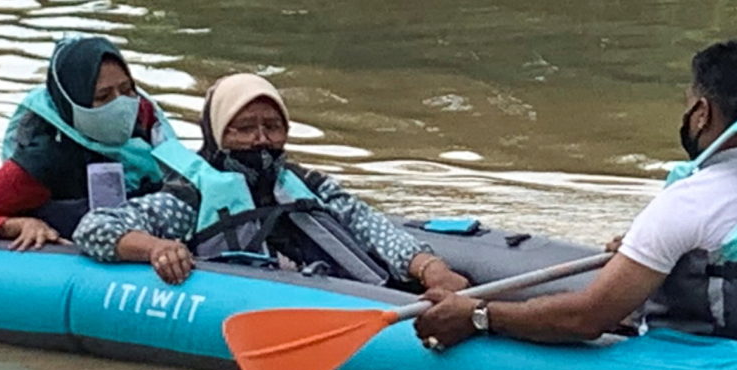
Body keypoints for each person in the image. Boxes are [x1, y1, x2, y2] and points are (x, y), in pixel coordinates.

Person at [418, 39, 737, 352]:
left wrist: (479, 315)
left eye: (689, 102)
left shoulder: (690, 201)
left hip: (712, 353)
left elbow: (586, 319)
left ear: (701, 113)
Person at [72, 73, 472, 294]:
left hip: (336, 289)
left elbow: (369, 225)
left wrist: (429, 268)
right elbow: (95, 227)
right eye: (244, 128)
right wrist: (157, 247)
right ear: (217, 134)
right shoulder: (191, 198)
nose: (261, 139)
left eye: (272, 126)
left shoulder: (306, 184)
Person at [0, 35, 167, 246]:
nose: (121, 105)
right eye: (103, 97)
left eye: (127, 90)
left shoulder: (144, 119)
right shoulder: (44, 158)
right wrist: (19, 225)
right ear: (73, 101)